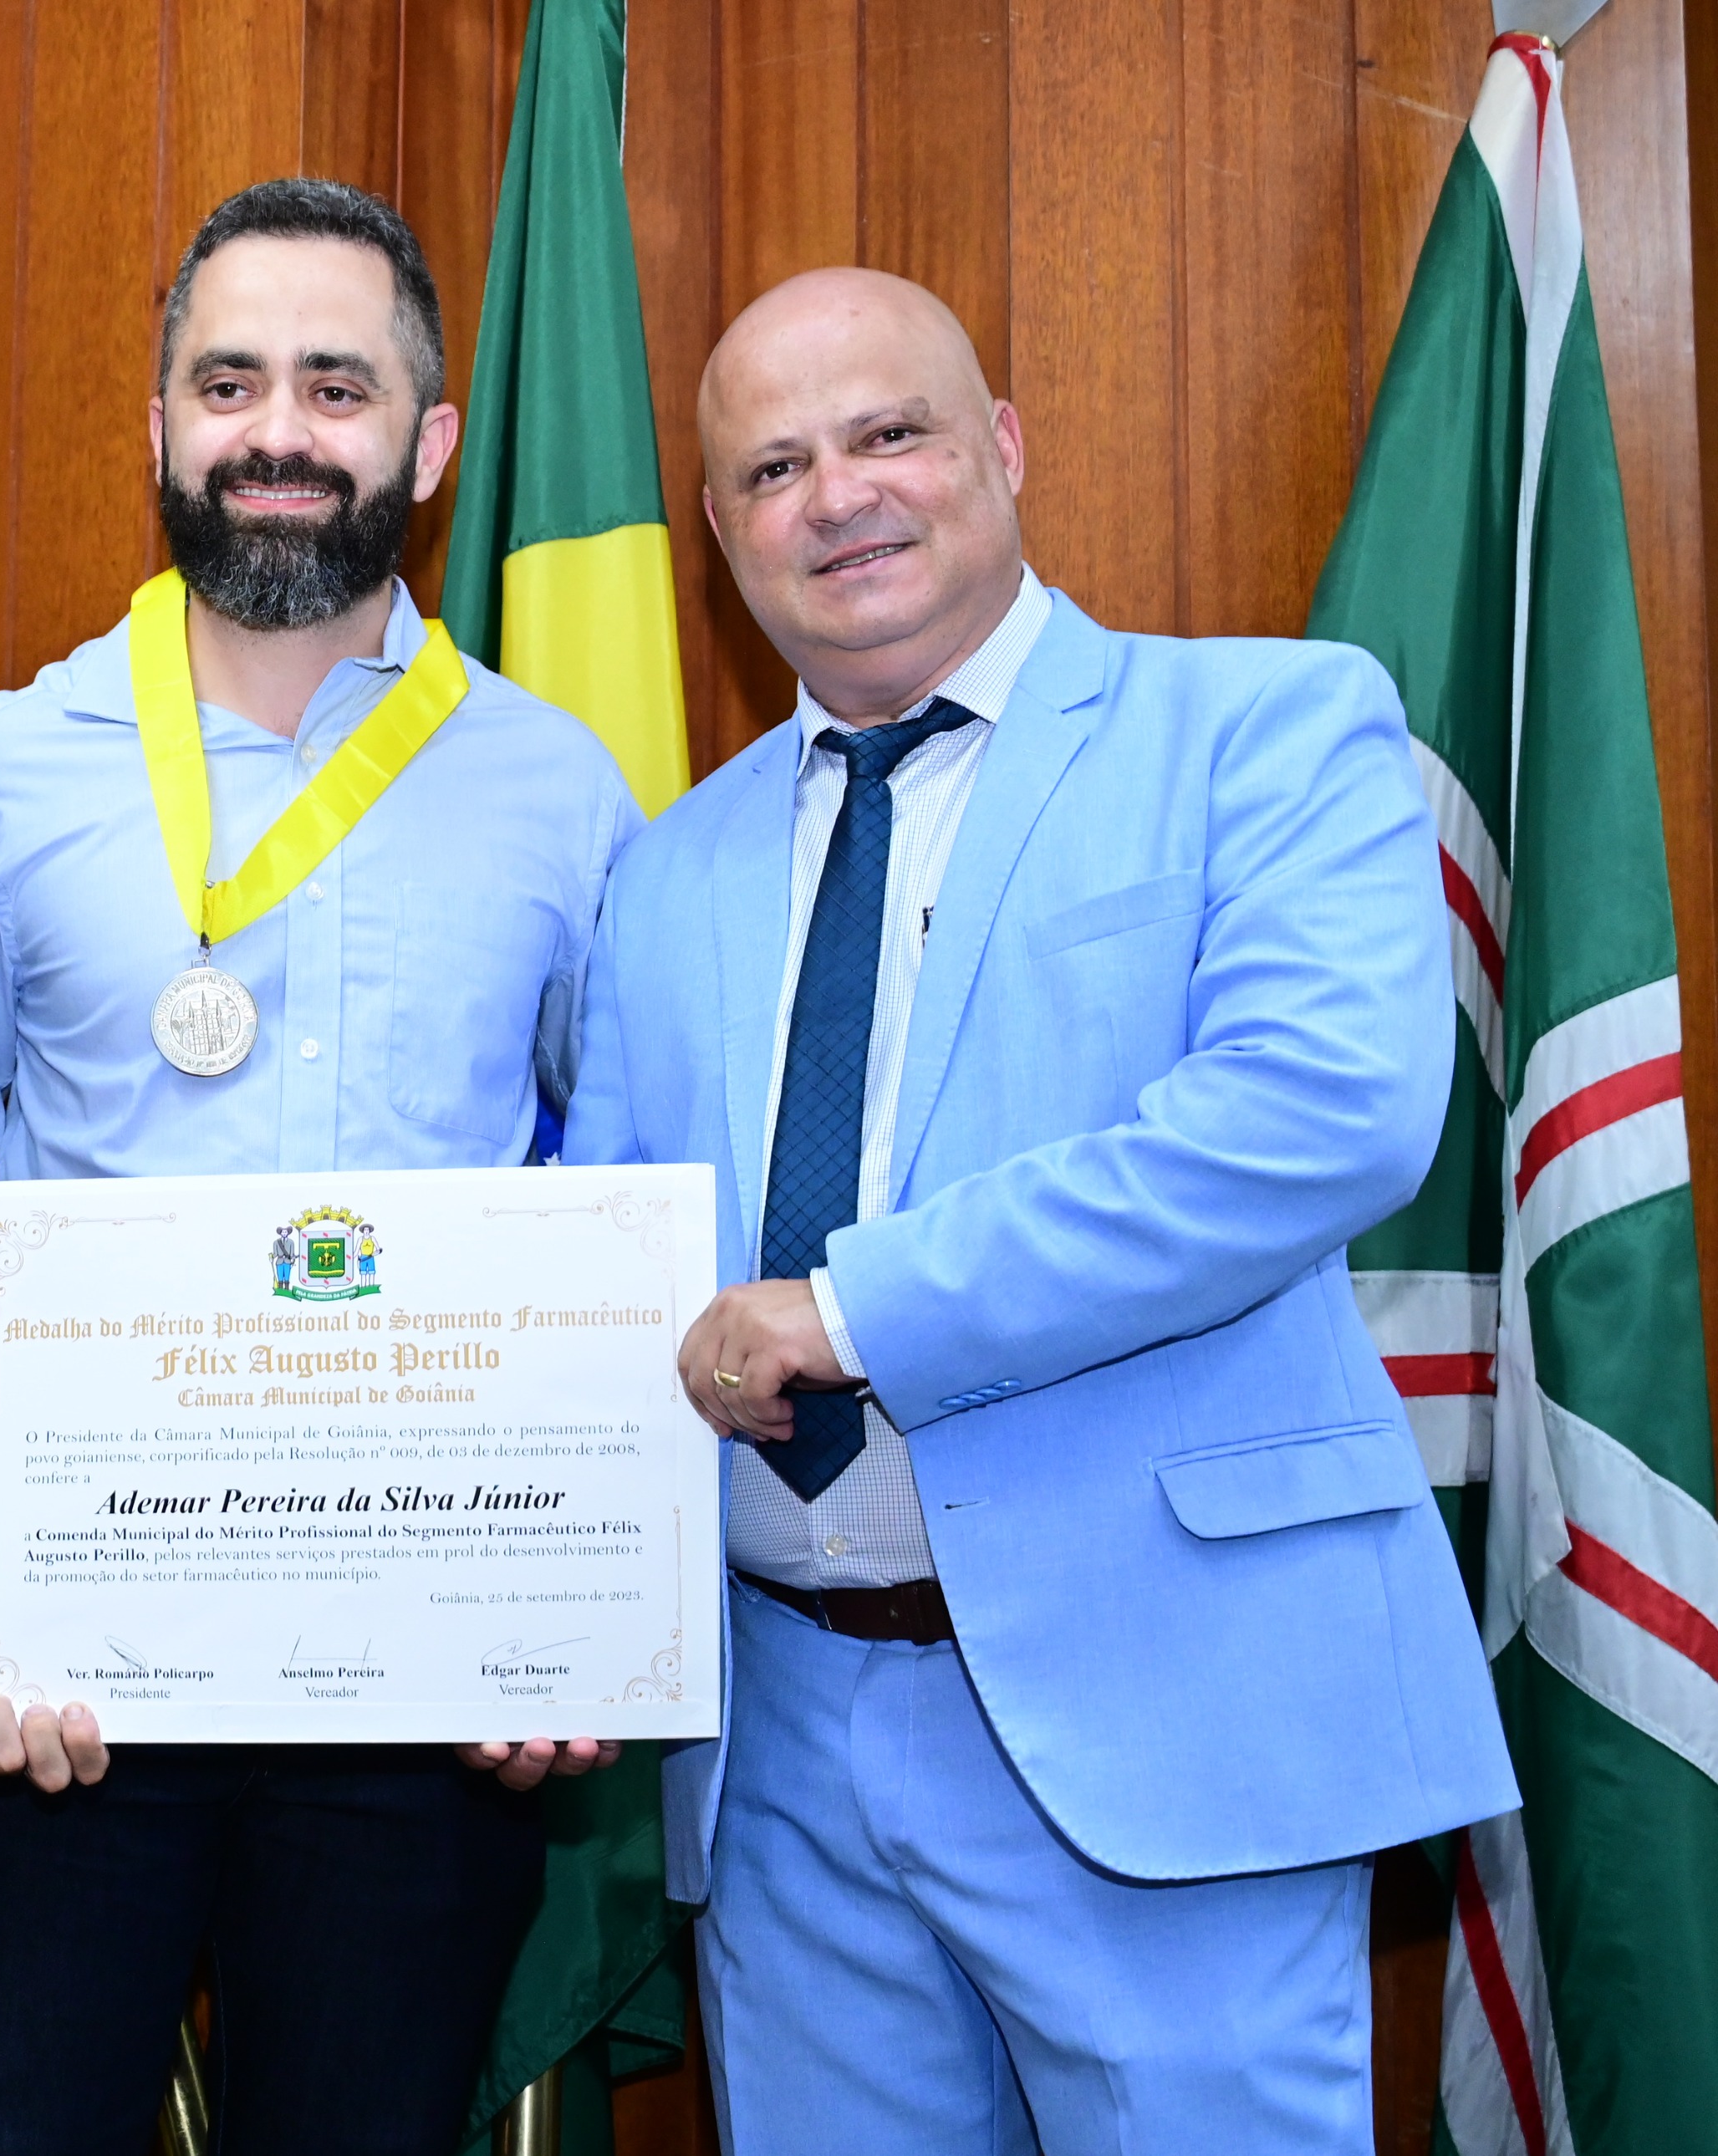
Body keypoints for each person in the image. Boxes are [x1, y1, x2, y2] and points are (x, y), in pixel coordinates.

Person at [564, 267, 1517, 2153]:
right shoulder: (663, 868)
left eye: (888, 433)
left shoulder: (1264, 728)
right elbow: (602, 1269)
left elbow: (1315, 1116)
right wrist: (529, 1611)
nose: (839, 495)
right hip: (778, 1743)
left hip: (1168, 1707)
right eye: (773, 468)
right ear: (720, 535)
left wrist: (848, 1312)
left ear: (999, 446)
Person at [0, 179, 633, 2156]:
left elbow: (617, 1192)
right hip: (67, 1678)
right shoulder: (0, 774)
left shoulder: (564, 793)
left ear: (427, 444)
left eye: (334, 386)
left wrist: (585, 1590)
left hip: (424, 1683)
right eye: (228, 383)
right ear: (160, 427)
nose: (277, 431)